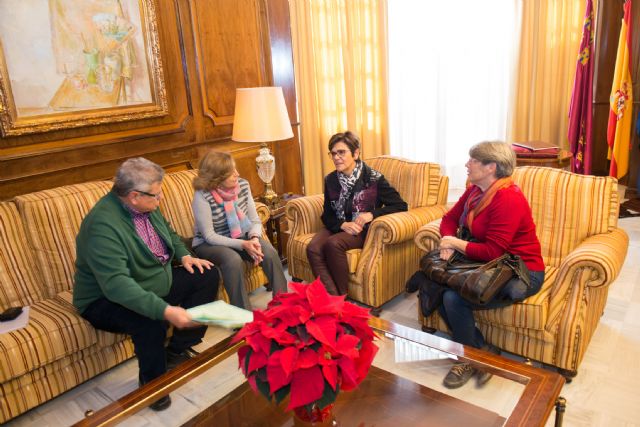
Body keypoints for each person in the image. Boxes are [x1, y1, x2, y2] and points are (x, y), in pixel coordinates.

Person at [73, 157, 219, 411]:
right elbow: (117, 285)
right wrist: (165, 310)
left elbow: (170, 234)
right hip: (104, 299)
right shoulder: (102, 225)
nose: (160, 199)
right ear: (133, 196)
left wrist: (183, 255)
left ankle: (177, 351)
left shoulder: (147, 205)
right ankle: (152, 384)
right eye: (156, 195)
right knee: (150, 318)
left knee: (207, 274)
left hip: (150, 281)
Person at [435, 141, 544, 389]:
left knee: (453, 298)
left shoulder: (509, 198)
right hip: (488, 264)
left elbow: (494, 250)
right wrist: (447, 242)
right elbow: (449, 219)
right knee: (434, 285)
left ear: (491, 167)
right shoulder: (475, 190)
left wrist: (454, 242)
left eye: (473, 160)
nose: (466, 164)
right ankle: (482, 350)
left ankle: (467, 358)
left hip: (520, 271)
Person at [306, 131, 408, 295]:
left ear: (355, 153)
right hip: (339, 225)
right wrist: (342, 224)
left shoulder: (373, 179)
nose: (336, 157)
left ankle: (340, 297)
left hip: (360, 230)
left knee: (332, 244)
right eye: (333, 153)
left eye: (341, 152)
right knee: (313, 247)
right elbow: (327, 214)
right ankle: (334, 298)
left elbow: (400, 205)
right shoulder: (330, 180)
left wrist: (371, 215)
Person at [191, 150, 287, 309]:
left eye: (235, 169)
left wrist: (254, 238)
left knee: (269, 252)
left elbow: (255, 220)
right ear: (217, 179)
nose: (237, 174)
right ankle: (243, 316)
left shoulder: (242, 184)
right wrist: (243, 245)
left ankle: (282, 304)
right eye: (231, 173)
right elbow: (209, 236)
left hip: (242, 236)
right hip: (210, 244)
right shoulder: (202, 196)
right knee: (232, 260)